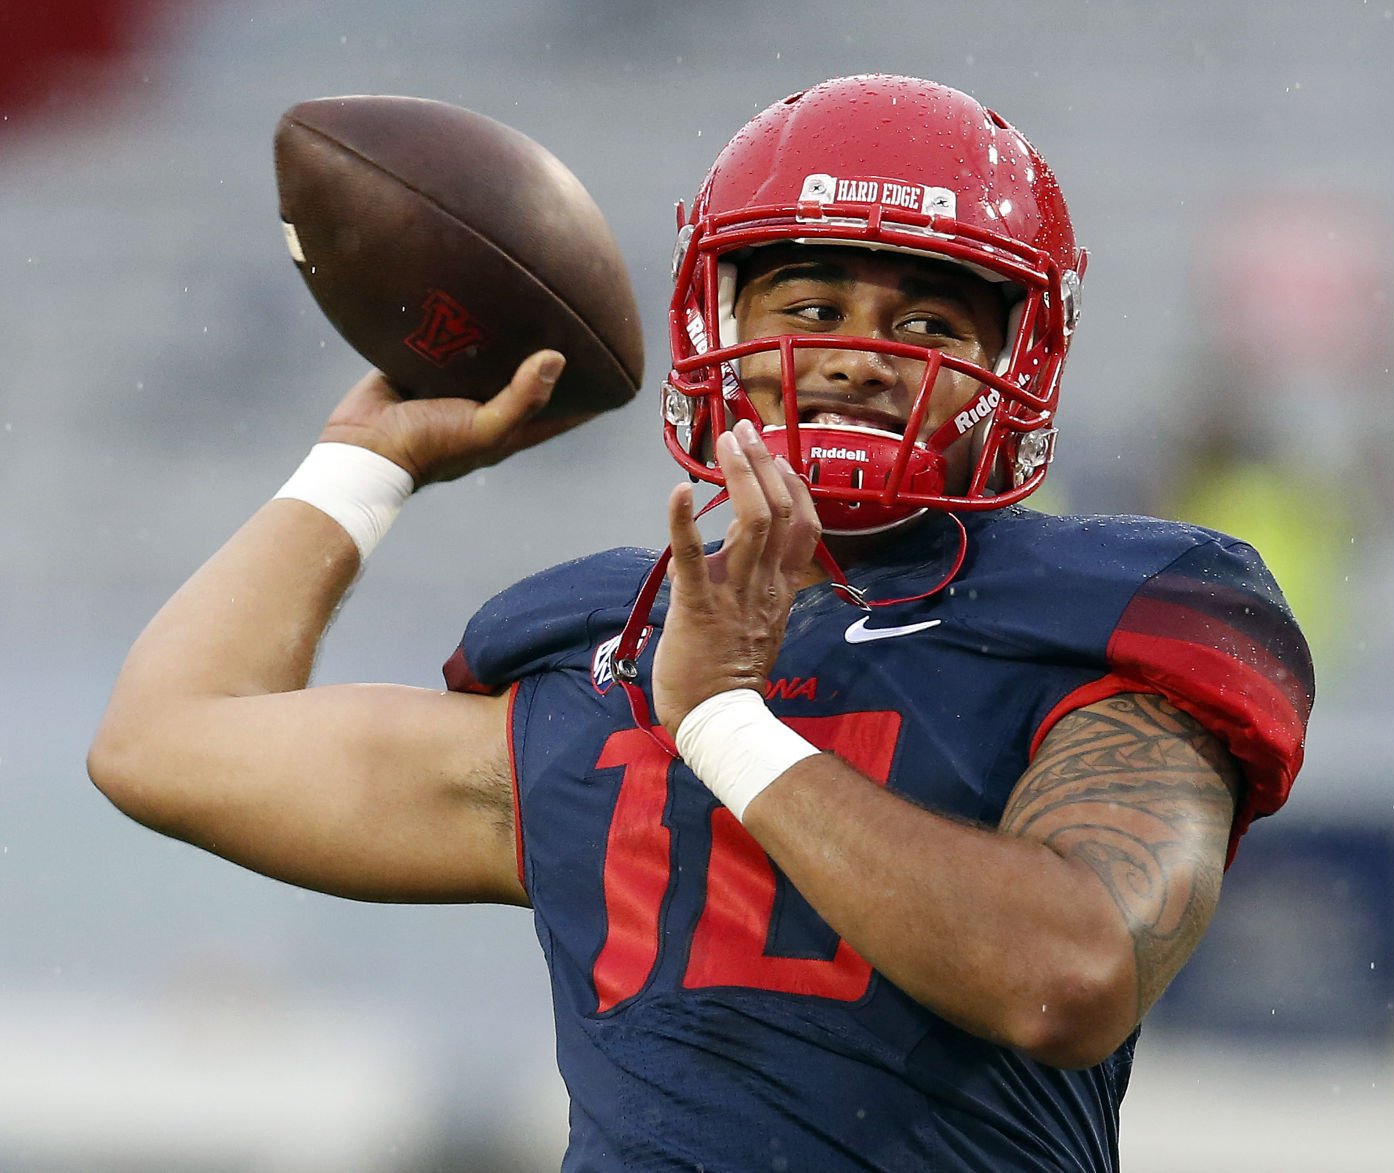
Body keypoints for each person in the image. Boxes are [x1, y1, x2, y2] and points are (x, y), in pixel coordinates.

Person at [89, 75, 1314, 1171]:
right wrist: (361, 468)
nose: (860, 359)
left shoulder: (1113, 612)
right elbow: (166, 744)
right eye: (812, 307)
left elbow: (1067, 978)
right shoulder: (601, 638)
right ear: (720, 332)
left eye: (927, 324)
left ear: (1019, 358)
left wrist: (727, 721)